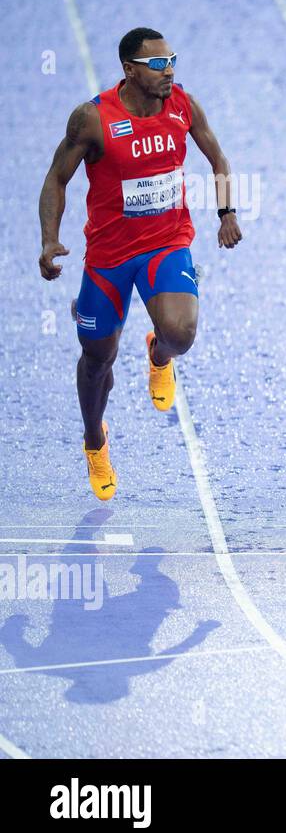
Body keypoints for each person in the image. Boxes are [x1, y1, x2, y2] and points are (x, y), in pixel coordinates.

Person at [38, 27, 242, 501]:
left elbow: (219, 159)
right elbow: (56, 178)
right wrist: (49, 240)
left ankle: (159, 355)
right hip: (109, 258)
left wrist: (226, 213)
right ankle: (95, 441)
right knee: (97, 360)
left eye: (172, 60)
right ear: (130, 70)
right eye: (157, 64)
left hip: (167, 243)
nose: (169, 70)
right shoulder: (92, 119)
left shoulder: (182, 106)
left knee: (181, 334)